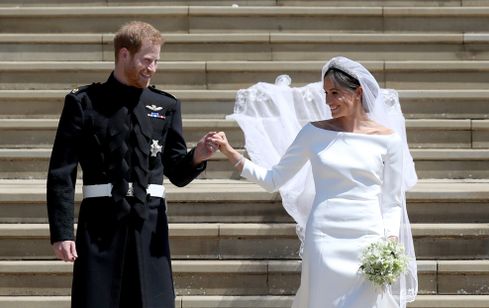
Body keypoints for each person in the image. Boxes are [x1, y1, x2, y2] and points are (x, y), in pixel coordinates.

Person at [211, 56, 418, 307]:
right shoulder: (313, 133)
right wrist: (231, 153)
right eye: (325, 93)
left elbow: (392, 201)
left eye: (335, 93)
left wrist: (391, 241)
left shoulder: (389, 140)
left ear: (358, 92)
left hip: (369, 237)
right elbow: (273, 179)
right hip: (324, 237)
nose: (328, 101)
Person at [46, 21, 218, 308]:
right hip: (100, 224)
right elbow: (61, 173)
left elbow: (175, 171)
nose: (152, 68)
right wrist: (62, 233)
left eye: (156, 61)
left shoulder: (165, 105)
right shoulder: (84, 102)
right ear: (124, 54)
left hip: (150, 226)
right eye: (146, 60)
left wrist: (197, 156)